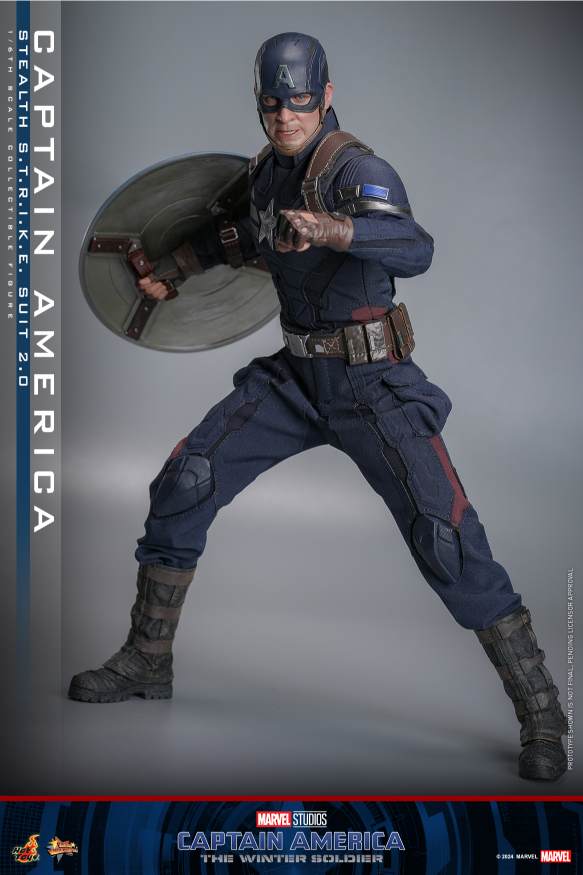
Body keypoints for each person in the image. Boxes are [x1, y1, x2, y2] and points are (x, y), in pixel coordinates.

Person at [69, 32, 567, 782]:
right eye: (273, 104)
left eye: (299, 102)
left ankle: (542, 714)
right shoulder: (266, 172)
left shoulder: (357, 170)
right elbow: (237, 234)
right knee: (185, 480)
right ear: (260, 103)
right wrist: (171, 269)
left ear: (326, 96)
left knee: (447, 541)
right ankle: (147, 658)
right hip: (295, 381)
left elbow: (415, 247)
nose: (286, 116)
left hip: (372, 387)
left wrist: (336, 228)